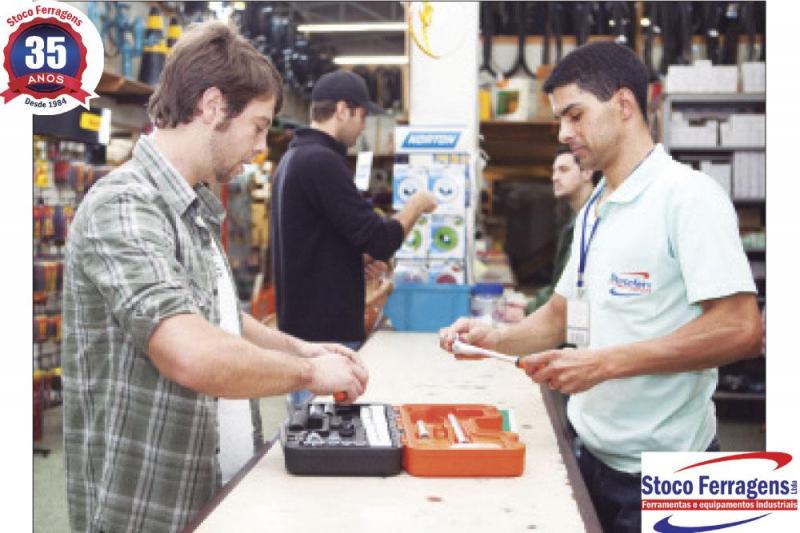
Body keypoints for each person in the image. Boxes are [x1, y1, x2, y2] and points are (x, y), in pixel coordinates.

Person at [440, 41, 762, 533]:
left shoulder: (688, 197)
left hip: (673, 471)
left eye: (575, 115)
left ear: (625, 104)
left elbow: (741, 329)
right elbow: (559, 315)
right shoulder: (596, 208)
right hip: (590, 456)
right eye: (561, 120)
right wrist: (493, 340)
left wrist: (605, 363)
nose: (564, 133)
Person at [61, 22, 368, 533]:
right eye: (258, 125)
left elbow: (221, 317)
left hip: (211, 490)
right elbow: (190, 351)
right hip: (151, 508)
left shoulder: (190, 208)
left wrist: (302, 349)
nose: (260, 146)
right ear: (212, 107)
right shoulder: (126, 205)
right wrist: (309, 376)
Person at [271, 70, 437, 349]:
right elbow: (380, 240)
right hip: (325, 336)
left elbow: (312, 239)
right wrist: (416, 205)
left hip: (305, 330)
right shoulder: (321, 162)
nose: (363, 128)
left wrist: (351, 259)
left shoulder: (294, 157)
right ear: (341, 110)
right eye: (362, 116)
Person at [528, 144, 601, 312]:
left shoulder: (595, 220)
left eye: (563, 170)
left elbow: (572, 291)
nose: (555, 177)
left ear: (587, 172)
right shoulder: (577, 219)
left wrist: (530, 308)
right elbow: (561, 283)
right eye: (554, 171)